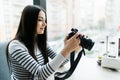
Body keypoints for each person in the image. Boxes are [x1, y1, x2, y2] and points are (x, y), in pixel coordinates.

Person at [6, 5, 81, 80]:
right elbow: (40, 74)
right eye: (40, 20)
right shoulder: (15, 46)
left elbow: (61, 62)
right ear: (28, 21)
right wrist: (67, 49)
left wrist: (73, 49)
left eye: (45, 20)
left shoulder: (40, 42)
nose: (45, 24)